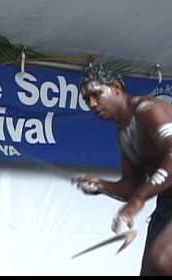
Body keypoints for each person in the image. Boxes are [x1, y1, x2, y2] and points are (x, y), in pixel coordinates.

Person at [73, 62, 172, 275]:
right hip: (167, 203)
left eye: (97, 94)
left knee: (162, 260)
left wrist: (138, 200)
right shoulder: (124, 133)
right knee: (150, 271)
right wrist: (101, 185)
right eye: (86, 99)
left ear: (116, 88)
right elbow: (131, 187)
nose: (92, 103)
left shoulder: (148, 109)